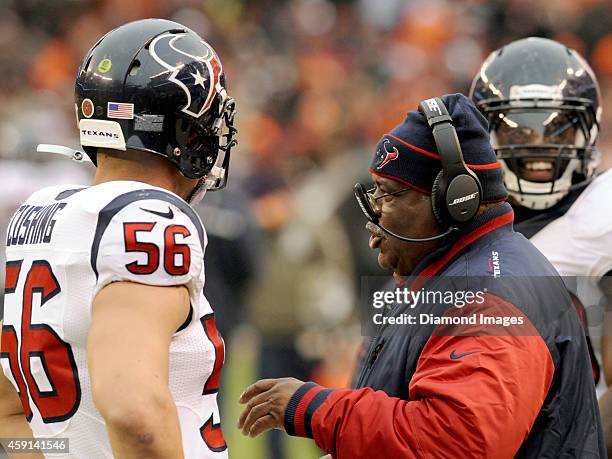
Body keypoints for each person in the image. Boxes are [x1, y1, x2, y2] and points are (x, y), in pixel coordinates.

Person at [237, 93, 604, 457]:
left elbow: (453, 444)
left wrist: (316, 409)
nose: (375, 215)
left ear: (454, 200)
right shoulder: (451, 276)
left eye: (388, 194)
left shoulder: (492, 297)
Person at [0, 18, 237, 459]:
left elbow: (9, 412)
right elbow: (136, 416)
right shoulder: (150, 219)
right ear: (186, 131)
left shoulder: (41, 212)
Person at [469, 36, 612, 452]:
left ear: (590, 129)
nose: (538, 146)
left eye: (556, 129)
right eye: (517, 129)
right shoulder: (459, 221)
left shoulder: (600, 213)